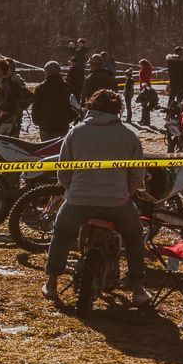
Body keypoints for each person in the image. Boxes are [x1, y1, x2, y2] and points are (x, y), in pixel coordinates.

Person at [43, 89, 150, 309]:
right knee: (134, 236)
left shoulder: (75, 133)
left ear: (91, 106)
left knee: (62, 232)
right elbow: (137, 174)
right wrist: (126, 192)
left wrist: (74, 190)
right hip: (117, 203)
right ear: (118, 109)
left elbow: (62, 173)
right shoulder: (128, 135)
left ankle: (51, 283)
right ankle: (138, 288)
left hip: (78, 202)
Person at [30, 62, 78, 140]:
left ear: (47, 72)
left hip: (45, 127)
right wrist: (67, 120)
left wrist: (37, 121)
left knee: (46, 149)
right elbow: (74, 108)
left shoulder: (41, 88)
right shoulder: (68, 88)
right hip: (62, 127)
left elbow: (36, 108)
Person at [0, 57, 32, 138]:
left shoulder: (5, 84)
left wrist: (14, 110)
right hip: (7, 124)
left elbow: (30, 97)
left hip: (6, 126)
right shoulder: (3, 83)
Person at [66, 39, 88, 105]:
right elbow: (74, 54)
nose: (78, 44)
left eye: (79, 43)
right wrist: (72, 48)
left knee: (77, 90)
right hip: (78, 70)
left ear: (83, 43)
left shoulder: (83, 50)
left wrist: (73, 48)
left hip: (79, 71)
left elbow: (76, 54)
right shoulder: (80, 50)